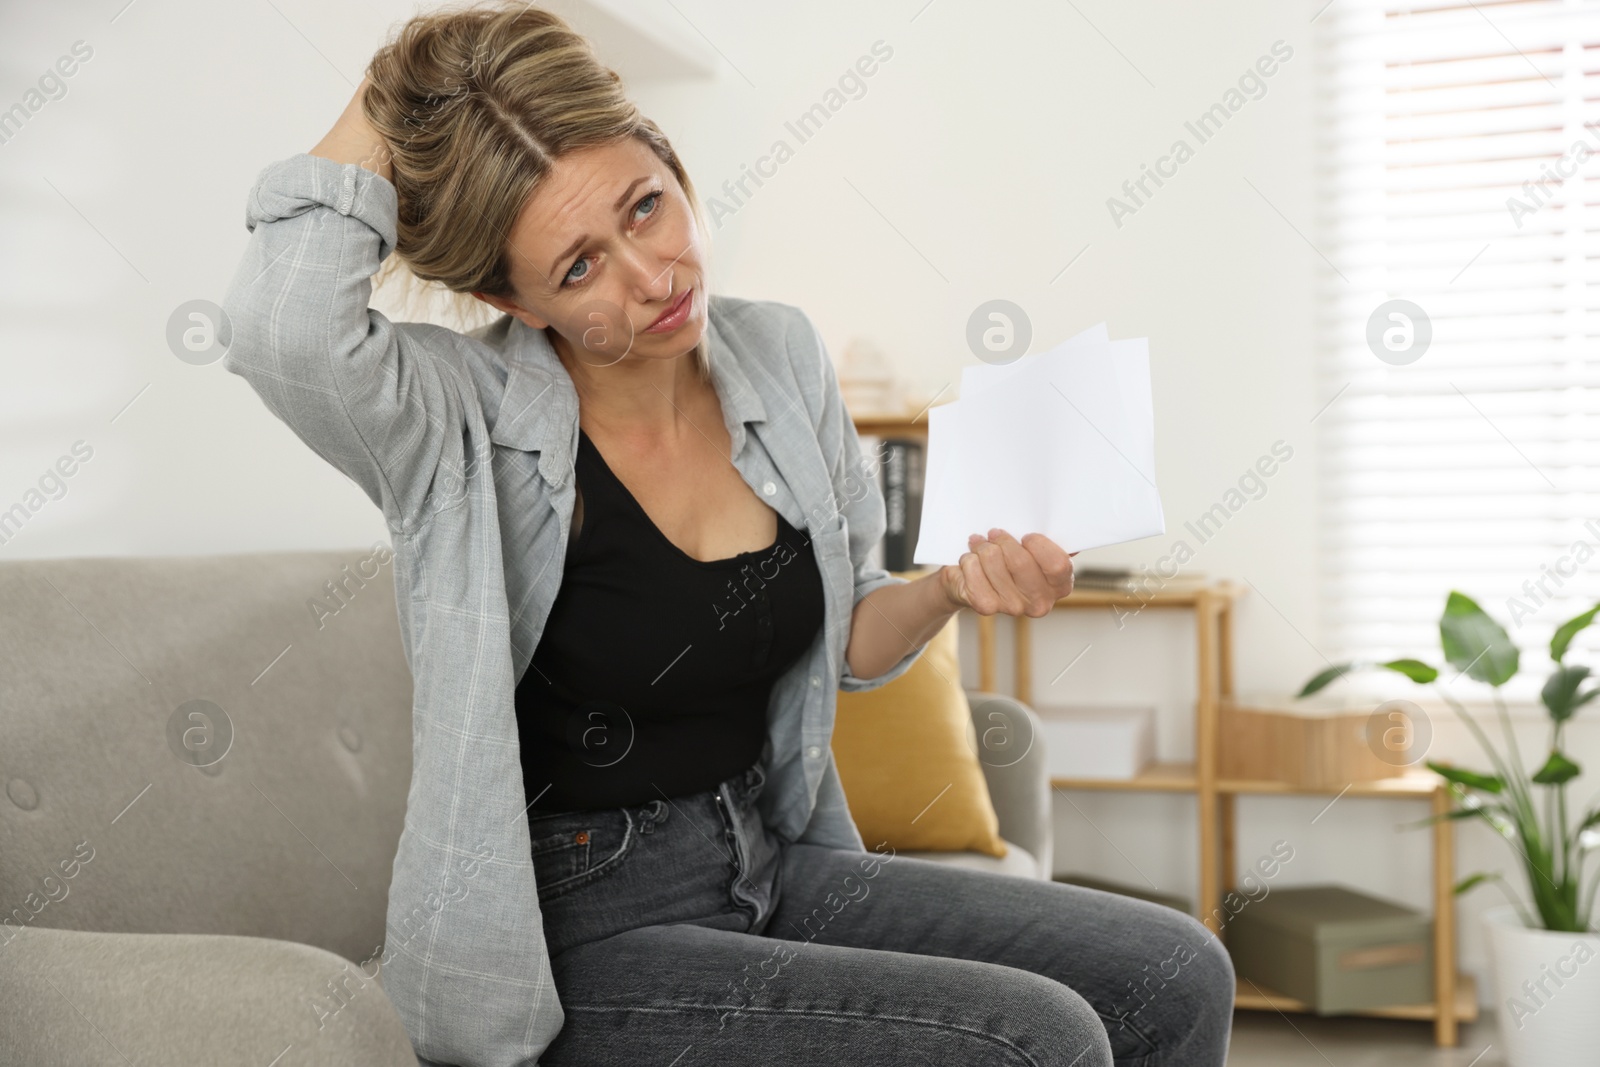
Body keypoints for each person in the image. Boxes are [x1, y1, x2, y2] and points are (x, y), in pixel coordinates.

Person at [220, 3, 1234, 1064]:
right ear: (506, 299)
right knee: (1042, 1039)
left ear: (669, 163)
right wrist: (406, 83)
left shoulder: (777, 352)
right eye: (577, 268)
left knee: (1179, 970)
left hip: (767, 852)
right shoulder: (453, 420)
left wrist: (948, 589)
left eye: (646, 207)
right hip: (582, 927)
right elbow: (282, 332)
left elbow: (847, 641)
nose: (651, 277)